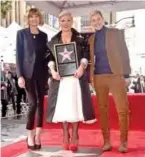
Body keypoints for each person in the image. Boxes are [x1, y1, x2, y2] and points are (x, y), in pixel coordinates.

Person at [46, 11, 96, 152]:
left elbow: (86, 55)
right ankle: (65, 135)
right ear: (59, 22)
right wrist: (53, 71)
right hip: (60, 80)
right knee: (63, 107)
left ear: (72, 21)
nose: (65, 23)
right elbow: (50, 59)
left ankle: (74, 134)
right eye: (63, 20)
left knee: (75, 106)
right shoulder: (53, 41)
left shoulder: (80, 39)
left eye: (68, 20)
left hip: (75, 78)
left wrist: (82, 67)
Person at [88, 10, 131, 153]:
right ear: (91, 23)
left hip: (115, 75)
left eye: (98, 19)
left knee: (123, 110)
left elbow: (124, 53)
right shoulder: (91, 39)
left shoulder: (115, 32)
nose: (96, 22)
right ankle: (106, 141)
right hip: (99, 77)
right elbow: (90, 60)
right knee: (102, 110)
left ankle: (123, 142)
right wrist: (91, 78)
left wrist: (126, 75)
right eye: (93, 20)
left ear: (103, 19)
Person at [16, 8, 50, 150]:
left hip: (41, 75)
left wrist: (50, 72)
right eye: (31, 17)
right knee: (33, 104)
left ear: (39, 19)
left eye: (36, 16)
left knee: (40, 104)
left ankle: (38, 135)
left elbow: (45, 57)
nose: (34, 19)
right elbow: (19, 55)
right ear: (28, 19)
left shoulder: (44, 36)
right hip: (27, 75)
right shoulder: (21, 34)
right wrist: (19, 75)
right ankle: (29, 134)